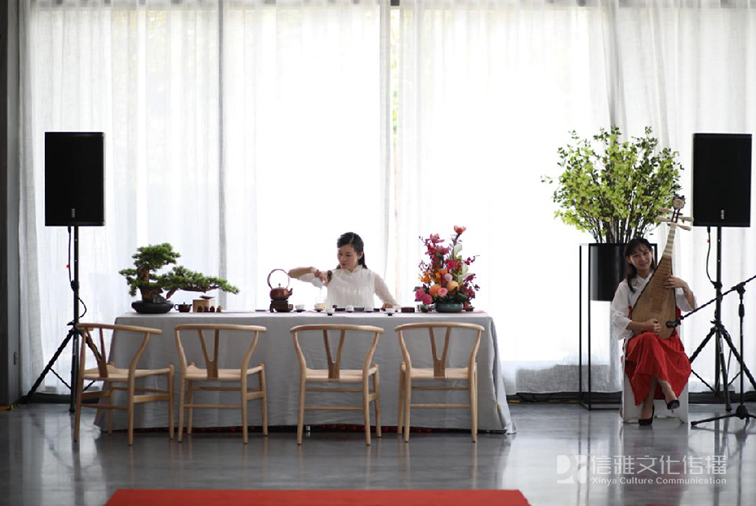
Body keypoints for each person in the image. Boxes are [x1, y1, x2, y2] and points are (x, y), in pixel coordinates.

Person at [610, 237, 696, 426]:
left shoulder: (667, 281)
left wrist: (684, 285)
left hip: (667, 341)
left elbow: (690, 307)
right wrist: (643, 326)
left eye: (645, 252)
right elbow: (616, 317)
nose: (642, 258)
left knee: (651, 341)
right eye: (636, 255)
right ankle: (667, 389)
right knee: (648, 338)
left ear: (652, 253)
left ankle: (648, 404)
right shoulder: (626, 286)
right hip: (637, 342)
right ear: (629, 259)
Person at [288, 232, 398, 309]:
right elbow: (291, 274)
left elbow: (396, 306)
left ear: (360, 254)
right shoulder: (329, 276)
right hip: (335, 329)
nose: (342, 259)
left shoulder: (372, 277)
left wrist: (389, 307)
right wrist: (311, 269)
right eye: (340, 254)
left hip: (365, 329)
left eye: (348, 255)